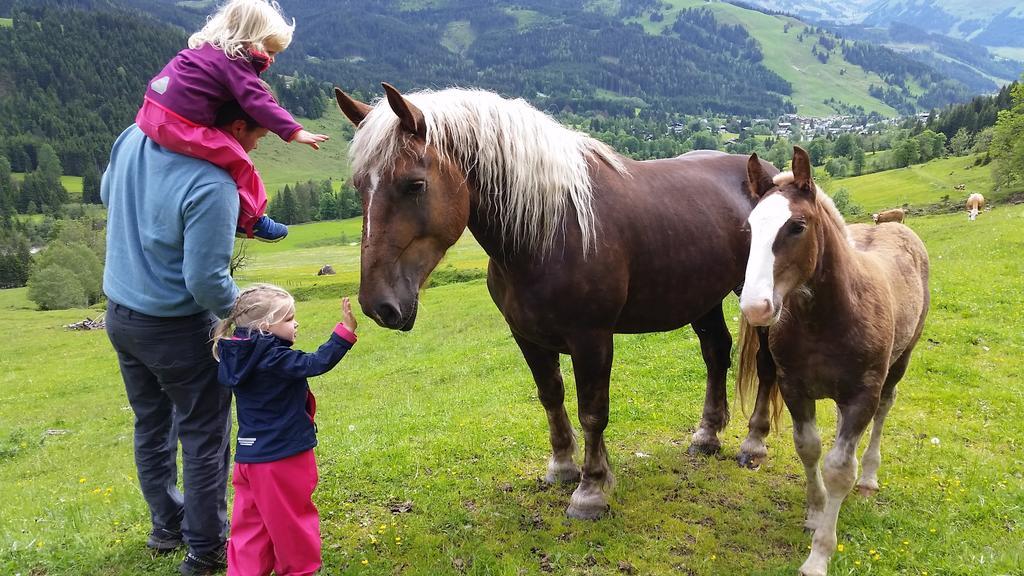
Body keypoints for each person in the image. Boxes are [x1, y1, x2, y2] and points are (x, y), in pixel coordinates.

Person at [102, 100, 271, 576]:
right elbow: (207, 282)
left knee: (151, 425)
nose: (257, 145)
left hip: (121, 316)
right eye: (258, 135)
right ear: (236, 125)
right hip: (176, 328)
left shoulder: (135, 135)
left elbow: (105, 192)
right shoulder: (213, 183)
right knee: (204, 434)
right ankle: (205, 548)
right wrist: (254, 318)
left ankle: (166, 526)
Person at [135, 0, 328, 242]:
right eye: (269, 52)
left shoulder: (204, 50)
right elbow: (256, 100)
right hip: (177, 126)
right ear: (251, 39)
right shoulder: (233, 61)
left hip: (148, 115)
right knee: (239, 162)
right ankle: (251, 220)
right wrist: (293, 131)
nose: (272, 59)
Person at [212, 286, 358, 576]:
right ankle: (299, 570)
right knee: (292, 522)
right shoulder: (274, 359)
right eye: (290, 319)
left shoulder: (238, 355)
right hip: (282, 458)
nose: (296, 324)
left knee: (250, 525)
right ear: (266, 327)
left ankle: (244, 571)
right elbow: (316, 362)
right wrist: (345, 332)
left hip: (248, 460)